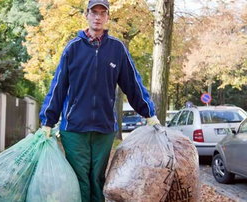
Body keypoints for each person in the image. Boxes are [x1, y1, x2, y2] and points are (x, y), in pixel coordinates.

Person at [39, 0, 160, 201]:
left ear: (107, 17)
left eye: (102, 13)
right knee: (80, 178)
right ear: (86, 15)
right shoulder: (73, 48)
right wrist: (47, 122)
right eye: (94, 12)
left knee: (97, 178)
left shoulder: (117, 49)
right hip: (74, 128)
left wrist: (149, 114)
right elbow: (58, 86)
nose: (97, 17)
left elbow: (133, 83)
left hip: (104, 127)